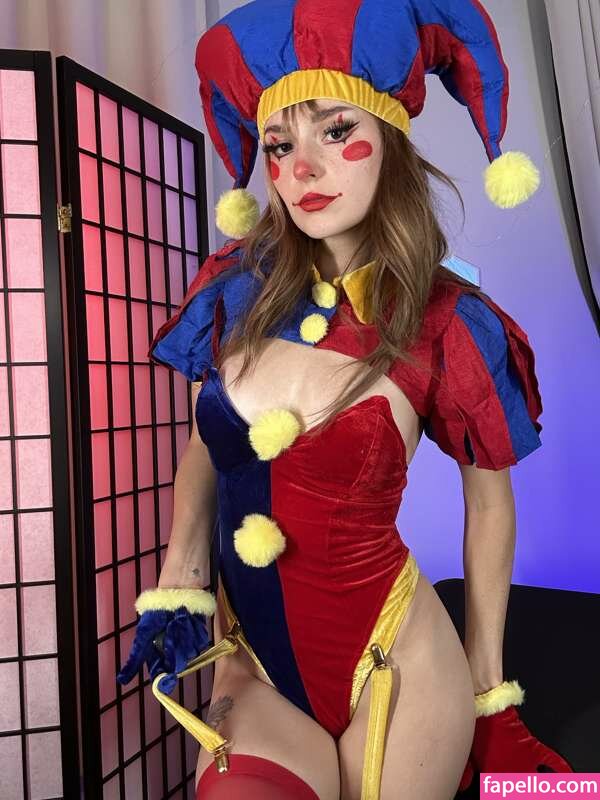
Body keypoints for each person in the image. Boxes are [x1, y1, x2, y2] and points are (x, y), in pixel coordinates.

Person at [117, 1, 574, 798]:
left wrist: (489, 694)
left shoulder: (448, 323)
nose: (302, 169)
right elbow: (204, 447)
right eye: (279, 144)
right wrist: (181, 579)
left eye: (335, 132)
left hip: (398, 661)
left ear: (389, 141)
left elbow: (489, 505)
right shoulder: (231, 292)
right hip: (256, 668)